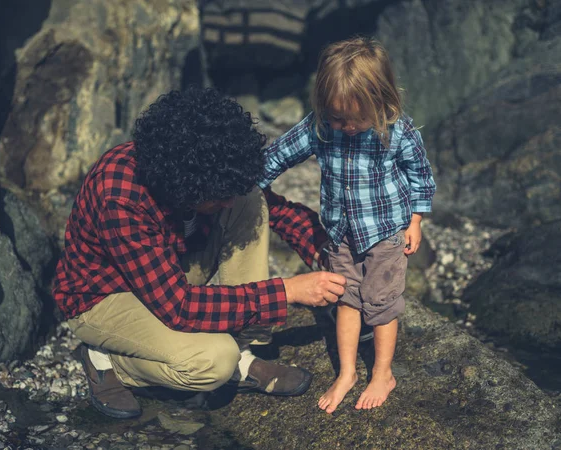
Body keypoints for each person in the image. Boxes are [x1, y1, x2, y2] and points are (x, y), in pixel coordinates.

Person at [52, 87, 347, 419]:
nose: (228, 204)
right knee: (213, 362)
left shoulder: (207, 171)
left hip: (166, 271)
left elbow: (276, 211)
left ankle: (244, 350)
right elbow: (178, 307)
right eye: (218, 197)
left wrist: (328, 253)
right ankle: (105, 360)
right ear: (185, 186)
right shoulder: (120, 197)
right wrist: (287, 291)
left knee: (250, 197)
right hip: (105, 296)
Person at [258, 36, 436, 413]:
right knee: (347, 301)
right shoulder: (322, 127)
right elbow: (278, 154)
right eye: (337, 117)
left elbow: (421, 176)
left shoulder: (398, 131)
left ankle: (382, 373)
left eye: (356, 119)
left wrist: (416, 220)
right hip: (340, 234)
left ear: (381, 101)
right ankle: (347, 373)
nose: (347, 126)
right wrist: (246, 186)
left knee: (381, 305)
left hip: (386, 232)